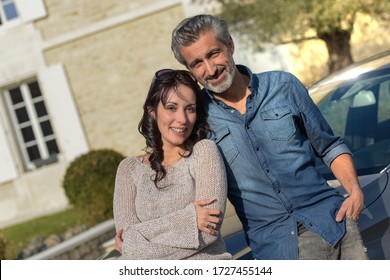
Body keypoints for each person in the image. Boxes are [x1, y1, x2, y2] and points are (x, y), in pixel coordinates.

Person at [167, 14, 367, 260]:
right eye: (197, 63)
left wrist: (354, 190)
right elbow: (172, 174)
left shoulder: (284, 86)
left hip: (335, 226)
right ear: (190, 69)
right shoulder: (198, 120)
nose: (210, 69)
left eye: (213, 54)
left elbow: (329, 146)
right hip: (276, 250)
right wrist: (137, 227)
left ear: (230, 45)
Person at [113, 69, 232, 260]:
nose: (182, 119)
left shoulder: (204, 153)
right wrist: (190, 217)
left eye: (190, 109)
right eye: (171, 107)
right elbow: (128, 243)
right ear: (152, 111)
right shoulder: (129, 170)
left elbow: (209, 232)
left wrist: (140, 240)